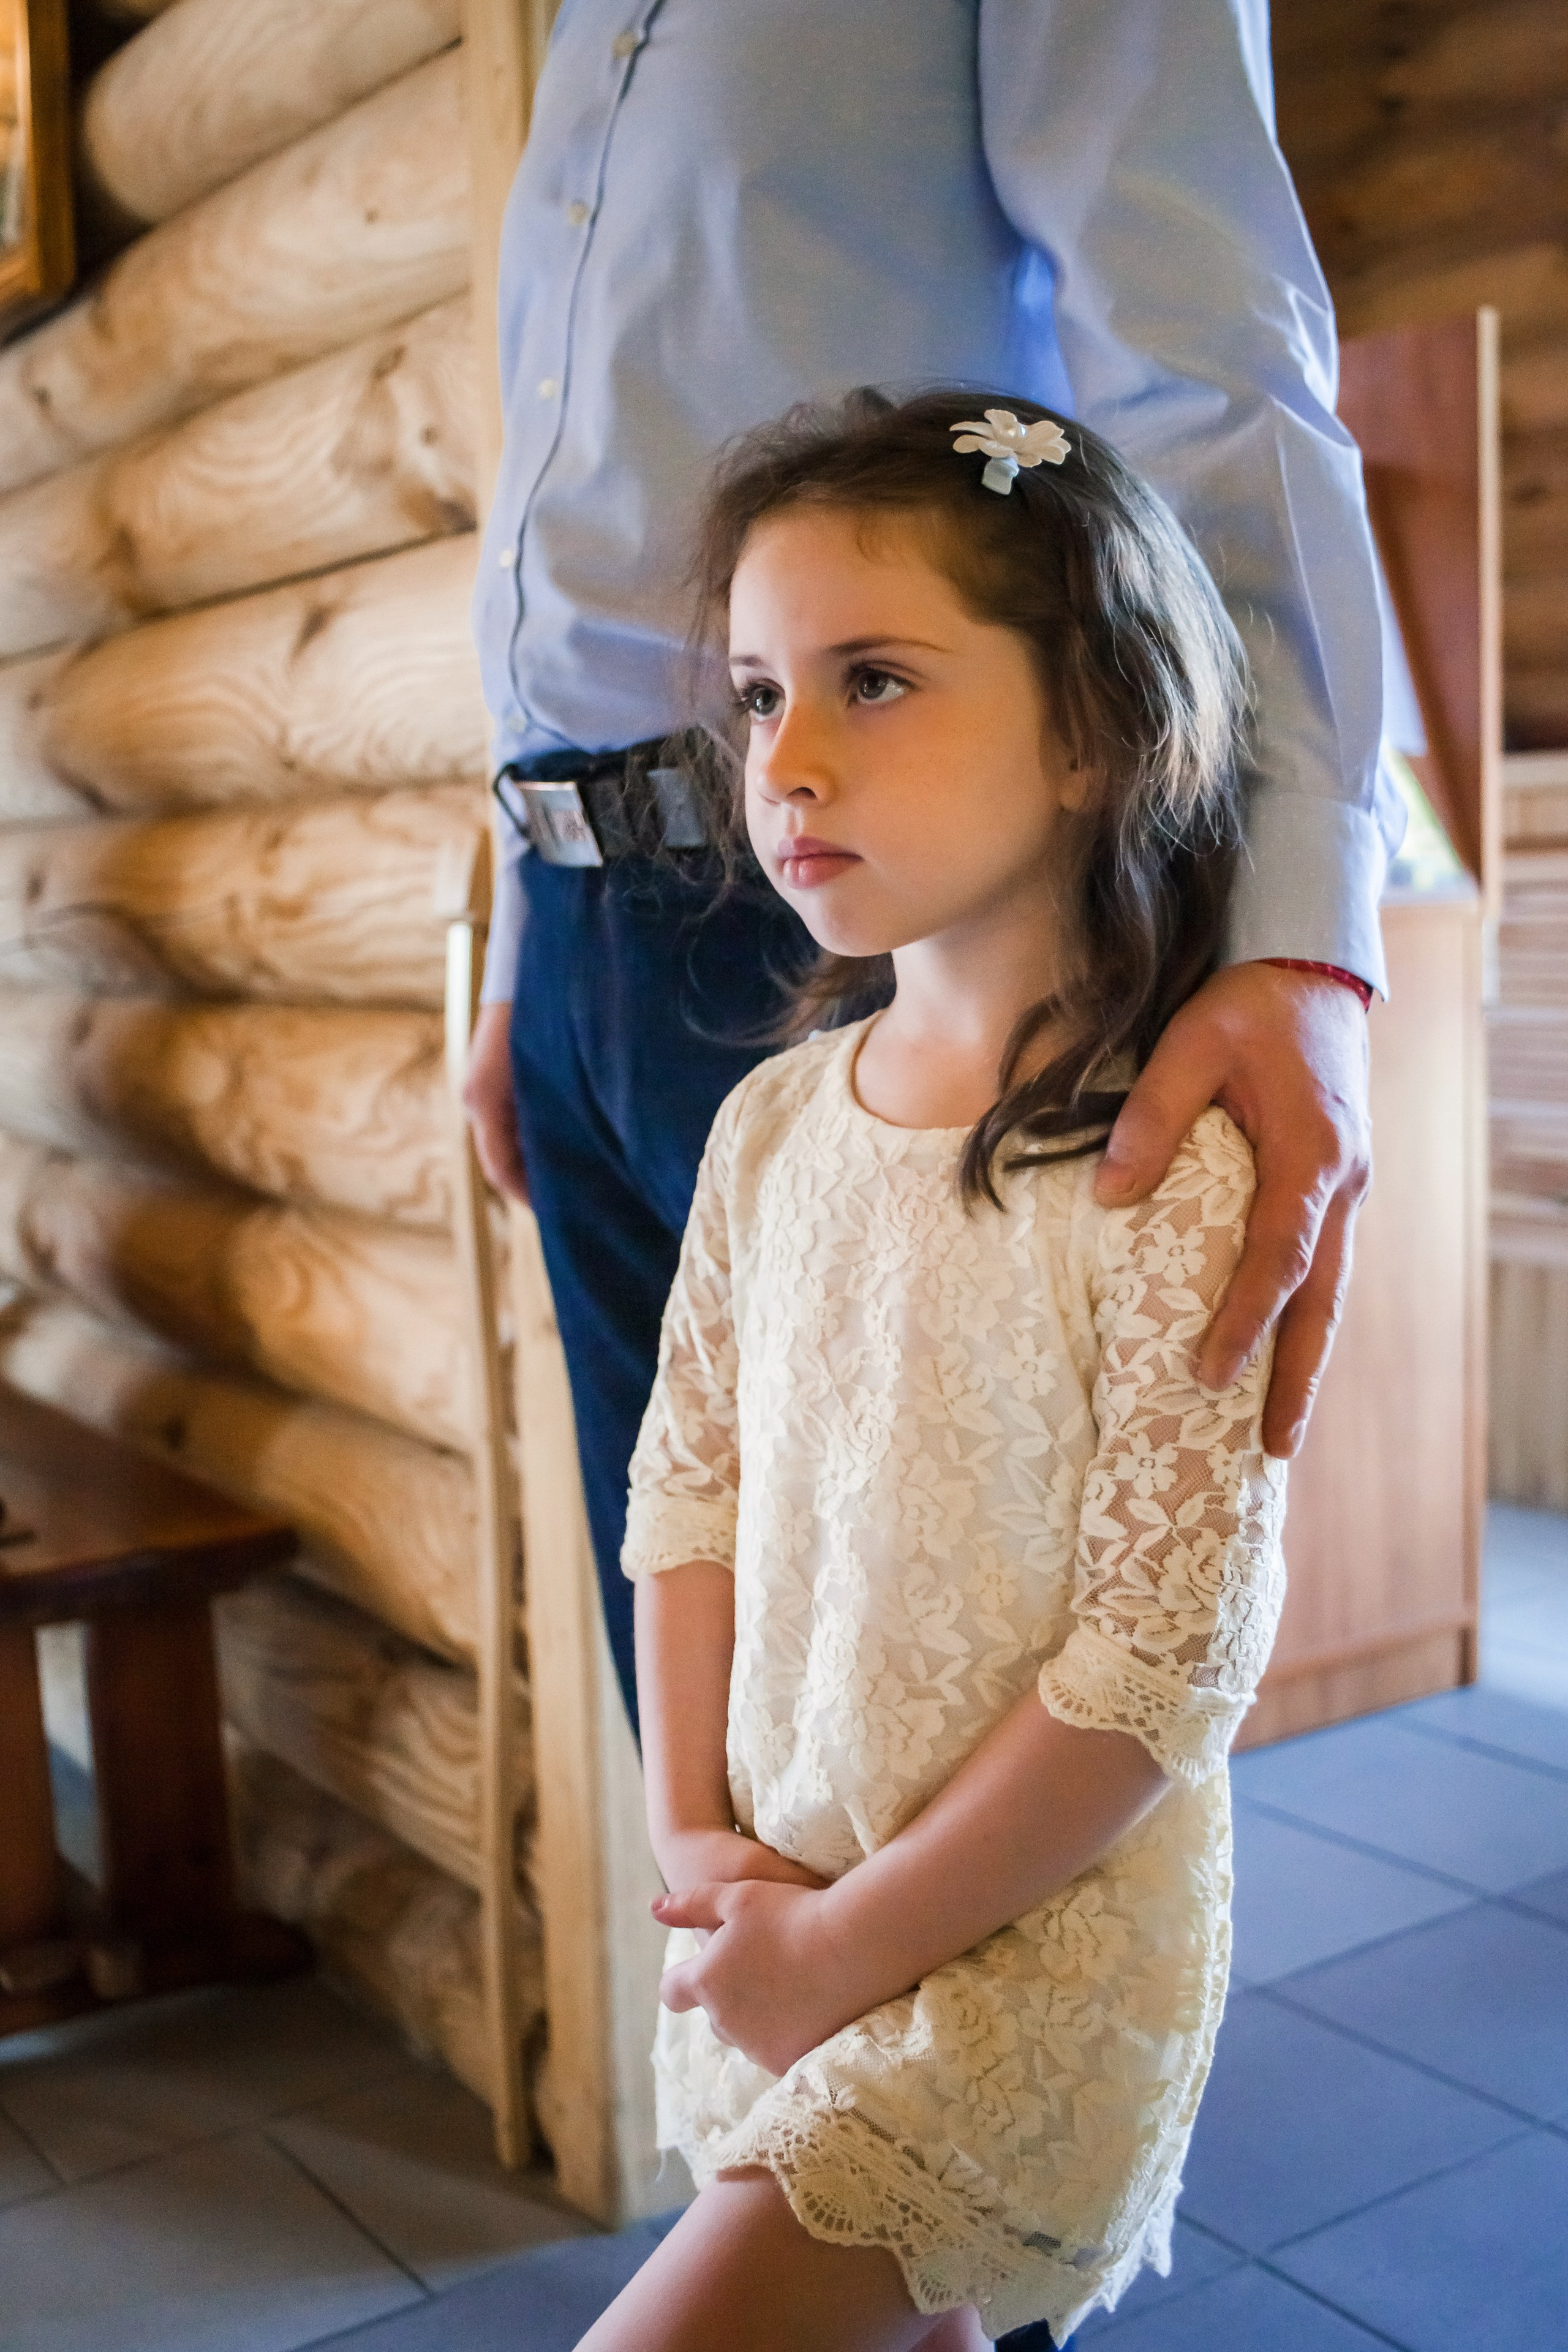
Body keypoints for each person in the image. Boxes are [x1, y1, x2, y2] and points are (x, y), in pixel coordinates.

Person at [464, 0, 1401, 1735]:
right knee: (688, 1651)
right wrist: (531, 947)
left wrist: (1302, 936)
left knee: (922, 1686)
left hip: (872, 928)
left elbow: (1217, 368)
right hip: (581, 926)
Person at [579, 389, 1287, 2351]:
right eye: (756, 697)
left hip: (1020, 1951)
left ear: (1092, 731)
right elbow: (684, 1493)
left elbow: (1163, 1665)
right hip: (785, 1887)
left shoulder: (1169, 1170)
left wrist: (839, 1949)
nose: (785, 762)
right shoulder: (770, 1131)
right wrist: (699, 1846)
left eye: (872, 681)